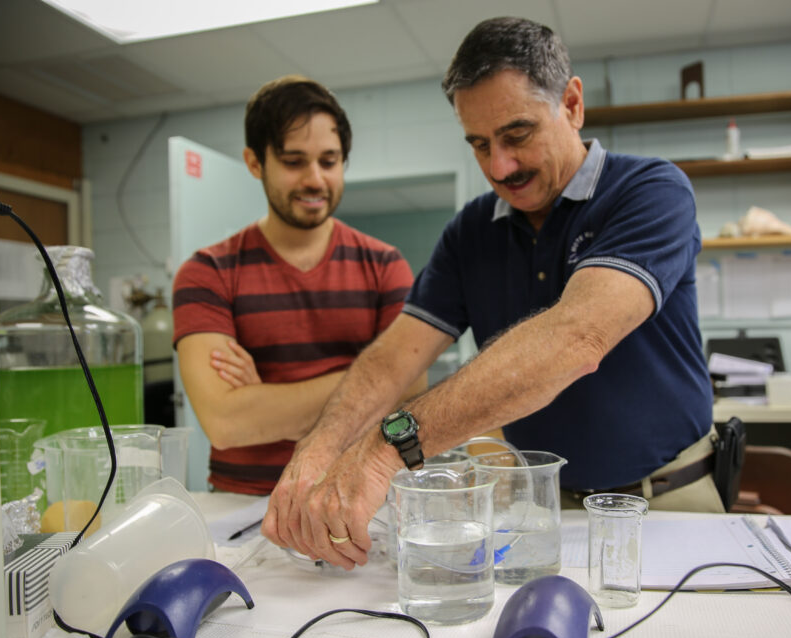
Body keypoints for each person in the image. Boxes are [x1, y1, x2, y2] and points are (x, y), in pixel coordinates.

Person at [261, 17, 716, 569]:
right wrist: (320, 449)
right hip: (539, 507)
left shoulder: (649, 191)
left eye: (517, 135)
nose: (499, 166)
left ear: (571, 104)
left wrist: (385, 452)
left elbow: (576, 338)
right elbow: (391, 360)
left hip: (667, 499)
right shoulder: (471, 231)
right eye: (479, 145)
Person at [172, 76, 419, 494]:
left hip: (358, 499)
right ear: (255, 162)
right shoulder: (207, 273)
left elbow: (409, 391)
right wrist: (374, 377)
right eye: (293, 161)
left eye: (329, 161)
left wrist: (264, 398)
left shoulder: (385, 266)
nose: (315, 180)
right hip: (245, 507)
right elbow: (226, 423)